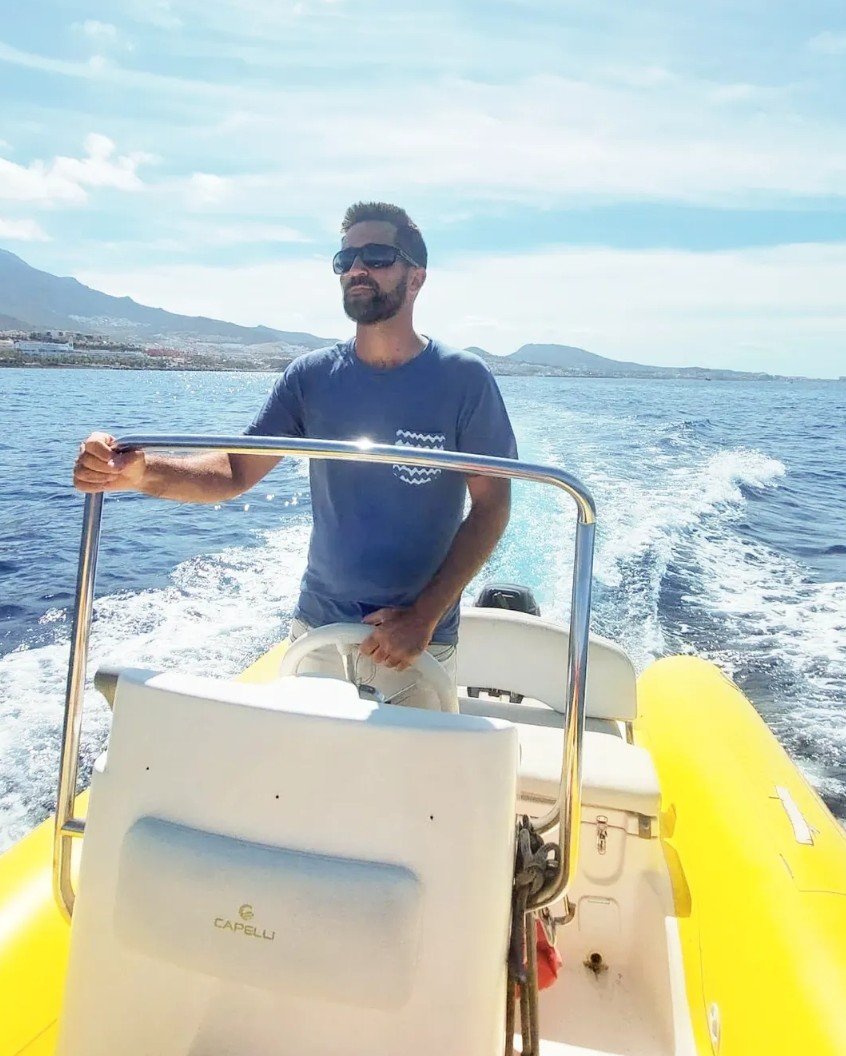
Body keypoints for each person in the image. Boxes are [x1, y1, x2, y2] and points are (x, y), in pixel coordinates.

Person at [73, 202, 517, 708]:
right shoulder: (310, 377)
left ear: (415, 278)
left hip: (418, 636)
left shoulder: (464, 381)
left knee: (404, 784)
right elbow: (235, 471)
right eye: (345, 259)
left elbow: (491, 507)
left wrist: (424, 615)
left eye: (375, 256)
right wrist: (141, 472)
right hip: (318, 623)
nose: (356, 269)